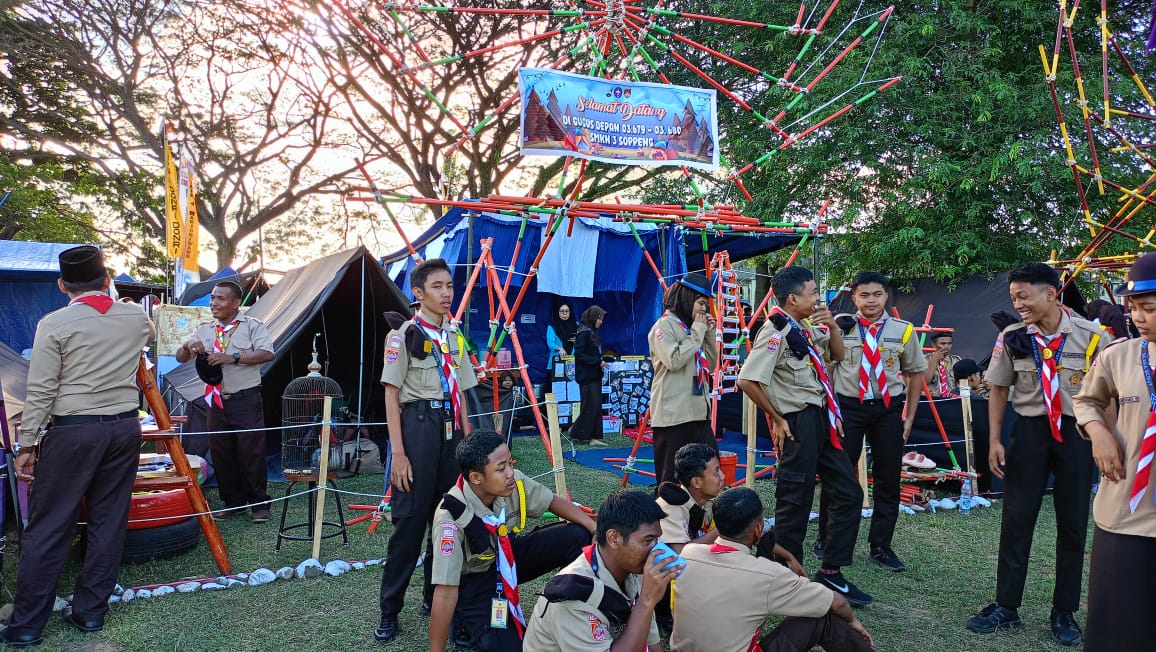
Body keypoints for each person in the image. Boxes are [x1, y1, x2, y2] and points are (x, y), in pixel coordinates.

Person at [1, 246, 155, 648]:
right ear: (107, 279)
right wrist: (115, 295)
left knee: (50, 525)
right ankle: (90, 612)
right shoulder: (135, 317)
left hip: (73, 432)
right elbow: (149, 334)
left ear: (61, 285)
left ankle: (28, 625)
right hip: (124, 429)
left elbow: (41, 390)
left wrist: (27, 443)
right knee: (108, 521)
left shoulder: (55, 322)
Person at [965, 262, 1107, 646]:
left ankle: (1064, 611)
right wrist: (995, 439)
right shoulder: (1012, 336)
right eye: (1013, 298)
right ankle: (1006, 605)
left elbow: (1108, 392)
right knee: (1016, 517)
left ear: (1051, 292)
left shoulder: (1093, 336)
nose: (1018, 304)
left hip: (1077, 433)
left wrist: (1107, 440)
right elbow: (997, 387)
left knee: (1073, 522)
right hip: (1027, 432)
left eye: (1023, 296)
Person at [737, 267, 872, 607]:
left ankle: (831, 573)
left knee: (848, 491)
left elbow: (837, 355)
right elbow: (747, 380)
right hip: (797, 421)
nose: (818, 298)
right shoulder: (776, 330)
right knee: (795, 501)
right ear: (793, 298)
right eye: (813, 292)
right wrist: (777, 418)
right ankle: (784, 578)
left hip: (820, 418)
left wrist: (833, 326)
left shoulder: (807, 327)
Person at [375, 258, 479, 644]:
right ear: (418, 293)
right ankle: (389, 610)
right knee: (410, 523)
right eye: (437, 286)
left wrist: (467, 446)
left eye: (450, 286)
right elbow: (391, 393)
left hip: (451, 430)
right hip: (416, 428)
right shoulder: (403, 335)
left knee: (447, 519)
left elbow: (463, 394)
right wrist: (398, 454)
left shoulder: (455, 335)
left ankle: (434, 599)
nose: (447, 293)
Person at [428, 430, 595, 651]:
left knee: (578, 536)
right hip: (476, 580)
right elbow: (446, 590)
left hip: (508, 558)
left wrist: (593, 528)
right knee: (512, 646)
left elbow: (551, 501)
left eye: (510, 463)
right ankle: (465, 620)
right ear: (476, 477)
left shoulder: (512, 482)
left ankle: (570, 606)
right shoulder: (449, 519)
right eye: (501, 468)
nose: (510, 473)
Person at [670, 488, 875, 652]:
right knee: (823, 615)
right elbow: (837, 602)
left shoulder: (688, 553)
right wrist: (853, 621)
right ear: (758, 528)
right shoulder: (766, 573)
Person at [1072, 253, 1156, 651]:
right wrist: (1098, 431)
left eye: (1149, 309)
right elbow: (1086, 400)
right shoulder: (1119, 355)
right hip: (1124, 511)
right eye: (1134, 308)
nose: (1138, 317)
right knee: (1118, 621)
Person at [823, 271, 927, 573]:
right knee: (838, 474)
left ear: (886, 296)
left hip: (887, 409)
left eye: (877, 294)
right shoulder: (840, 326)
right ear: (854, 297)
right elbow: (829, 368)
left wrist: (909, 415)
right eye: (864, 295)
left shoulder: (903, 330)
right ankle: (827, 537)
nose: (871, 300)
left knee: (888, 477)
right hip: (848, 409)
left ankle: (881, 546)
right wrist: (832, 412)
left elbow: (915, 373)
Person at [523, 489, 678, 651]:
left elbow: (649, 633)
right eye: (648, 540)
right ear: (613, 538)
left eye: (657, 539)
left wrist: (646, 603)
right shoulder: (573, 599)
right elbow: (643, 608)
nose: (656, 551)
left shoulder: (633, 567)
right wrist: (647, 600)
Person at [176, 280, 275, 523]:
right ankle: (232, 503)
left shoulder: (252, 326)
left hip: (245, 400)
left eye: (220, 298)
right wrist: (189, 345)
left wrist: (233, 357)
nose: (213, 303)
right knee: (221, 453)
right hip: (214, 401)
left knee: (250, 452)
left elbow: (267, 353)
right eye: (212, 298)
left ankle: (259, 505)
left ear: (235, 303)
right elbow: (180, 357)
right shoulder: (205, 329)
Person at [648, 272, 719, 486]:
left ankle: (701, 518)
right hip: (673, 416)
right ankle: (669, 520)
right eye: (700, 303)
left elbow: (711, 366)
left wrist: (707, 334)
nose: (704, 309)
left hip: (699, 414)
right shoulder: (664, 326)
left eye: (706, 304)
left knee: (709, 470)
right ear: (687, 298)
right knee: (671, 479)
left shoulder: (691, 328)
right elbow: (674, 360)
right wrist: (697, 332)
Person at [570, 305, 609, 446]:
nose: (601, 321)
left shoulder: (592, 332)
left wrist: (602, 361)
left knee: (595, 406)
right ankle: (578, 432)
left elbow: (593, 353)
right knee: (590, 406)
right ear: (593, 318)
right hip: (586, 376)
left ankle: (593, 436)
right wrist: (597, 362)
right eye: (599, 318)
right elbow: (579, 354)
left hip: (594, 375)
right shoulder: (584, 333)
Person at [925, 331, 961, 398]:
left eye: (949, 343)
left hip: (952, 399)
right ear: (934, 345)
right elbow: (924, 382)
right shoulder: (925, 360)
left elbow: (961, 384)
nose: (946, 346)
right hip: (931, 400)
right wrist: (934, 360)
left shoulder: (956, 360)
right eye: (943, 344)